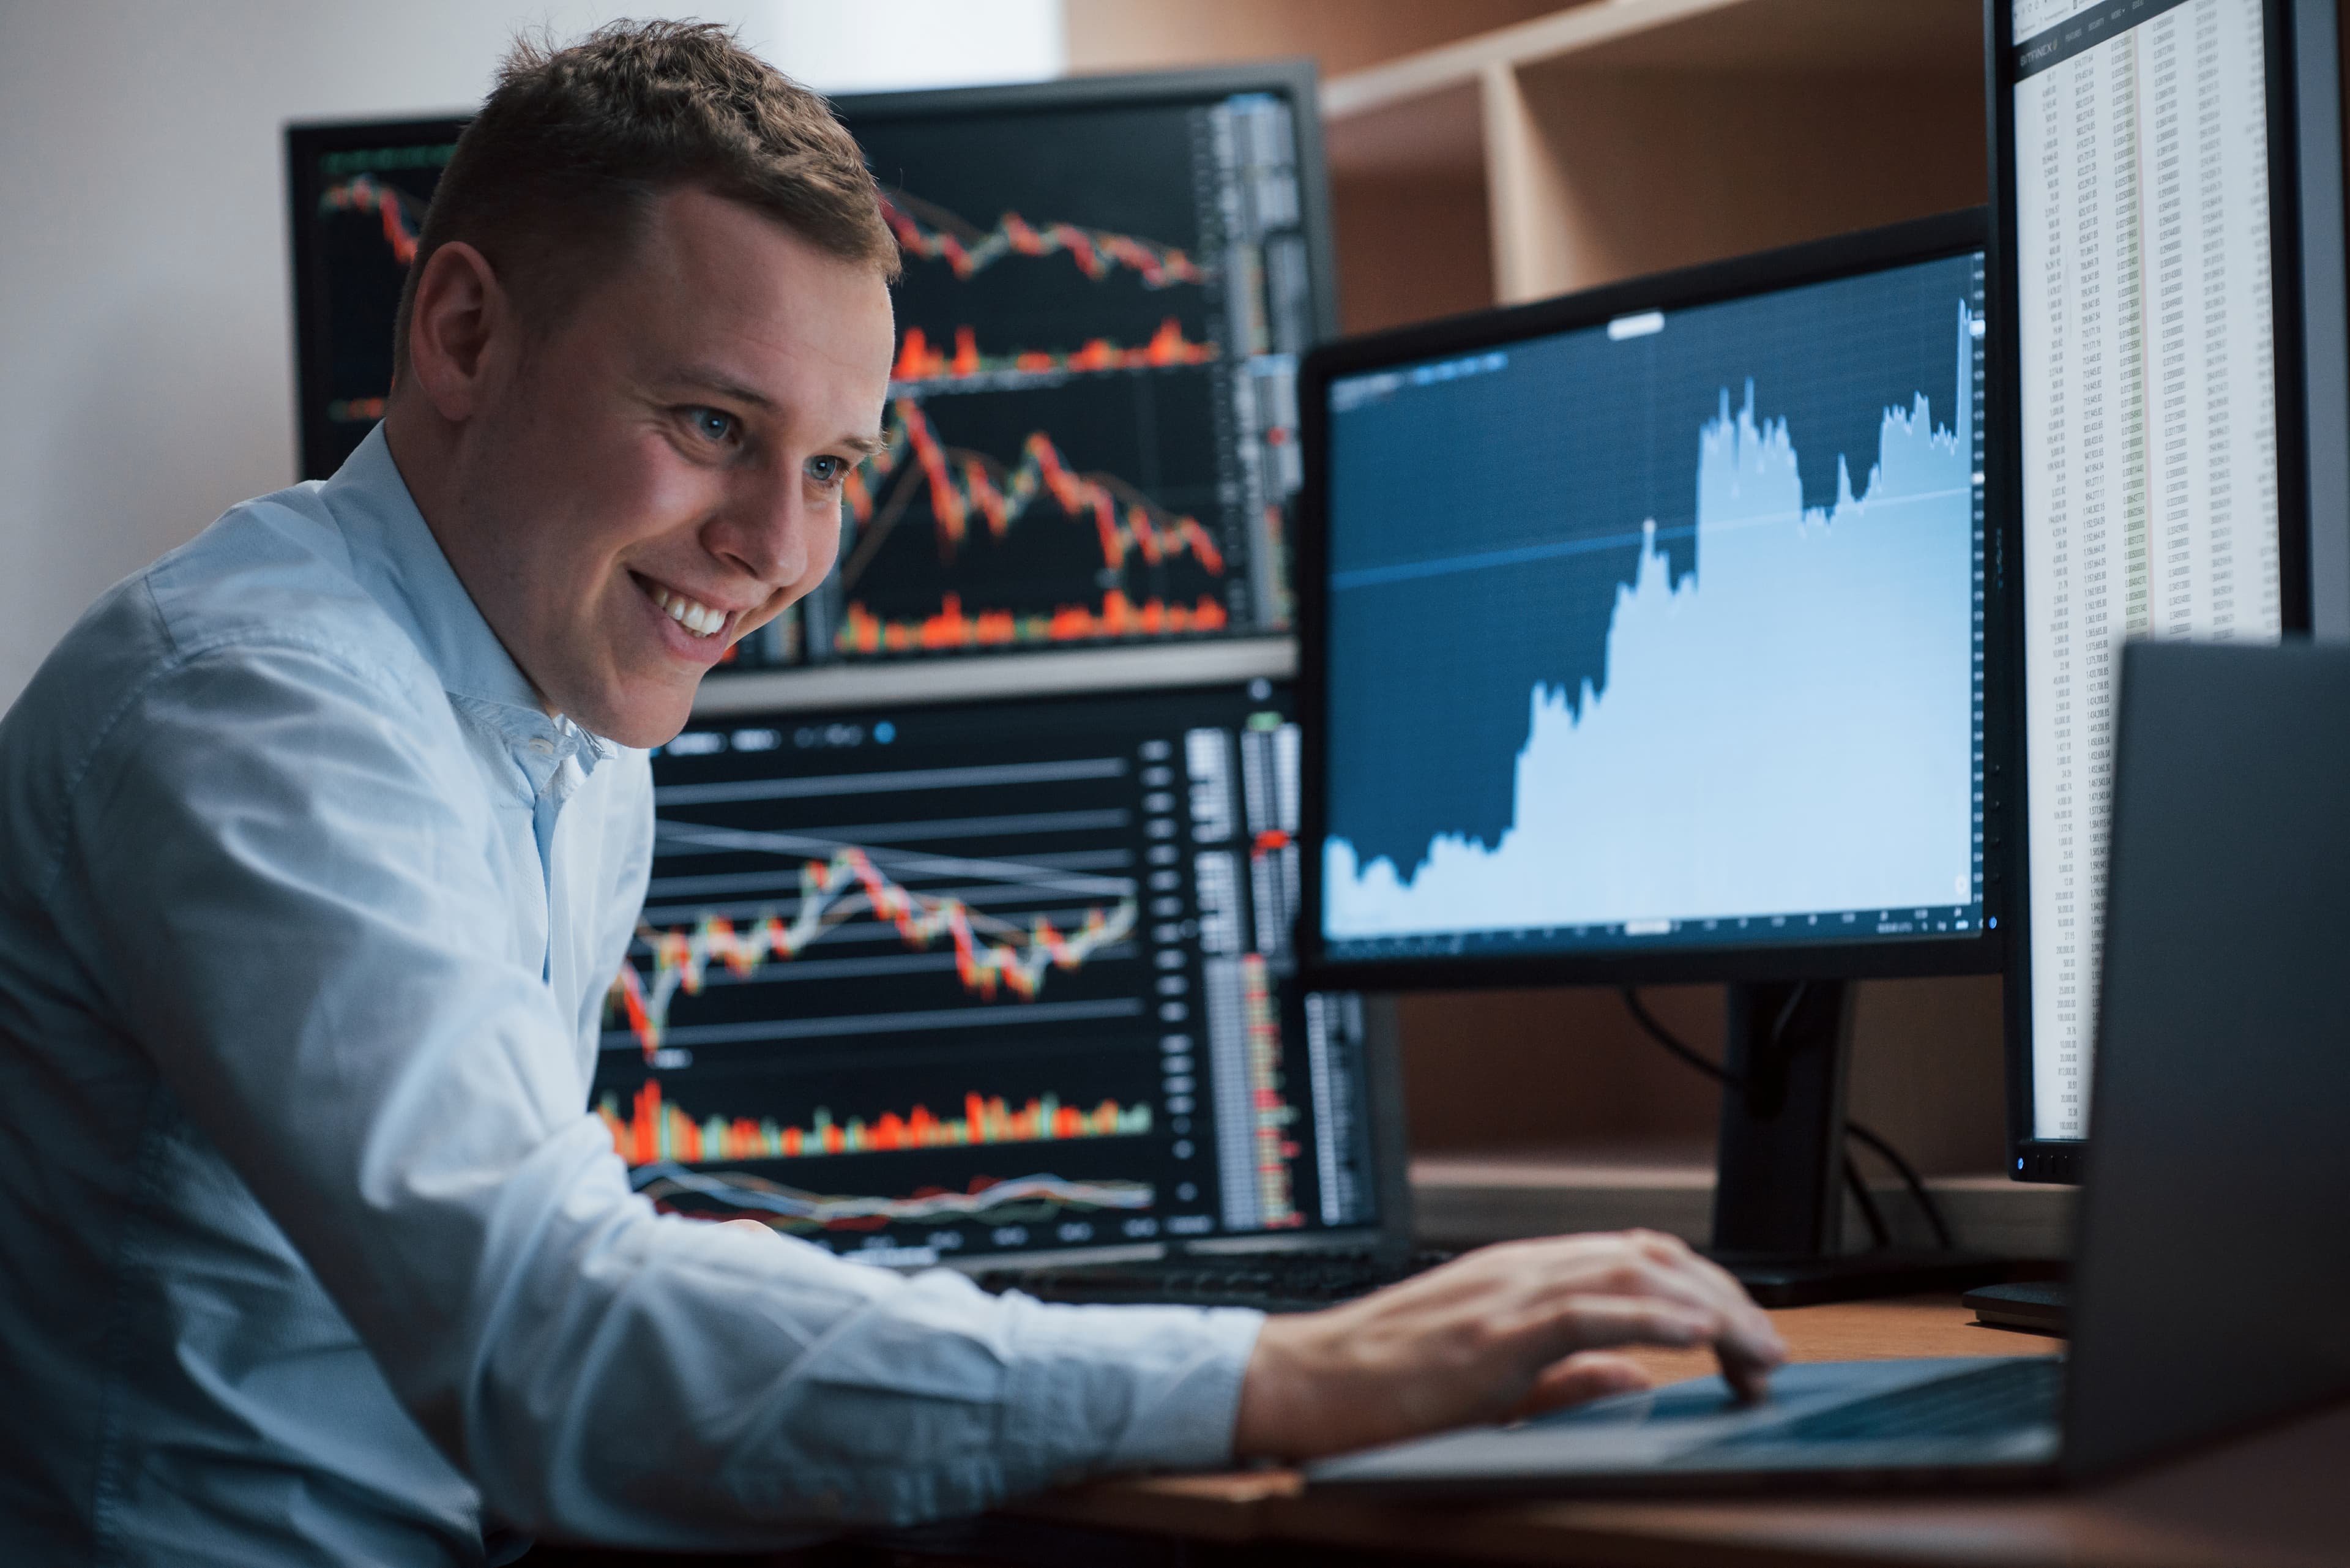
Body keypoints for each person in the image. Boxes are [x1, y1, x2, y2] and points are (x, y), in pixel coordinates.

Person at [0, 21, 1783, 1566]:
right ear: (462, 336)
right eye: (712, 423)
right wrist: (1288, 1372)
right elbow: (542, 1339)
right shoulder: (253, 708)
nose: (781, 550)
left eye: (835, 464)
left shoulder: (554, 709)